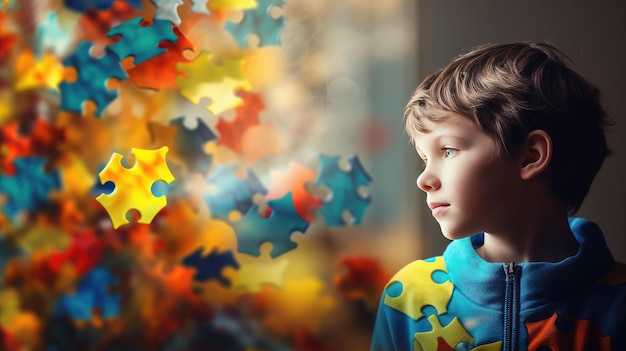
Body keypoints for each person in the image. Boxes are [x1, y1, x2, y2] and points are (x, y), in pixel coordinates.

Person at [370, 41, 626, 351]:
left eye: (448, 150)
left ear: (530, 156)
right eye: (425, 158)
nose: (424, 180)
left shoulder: (618, 305)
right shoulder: (407, 297)